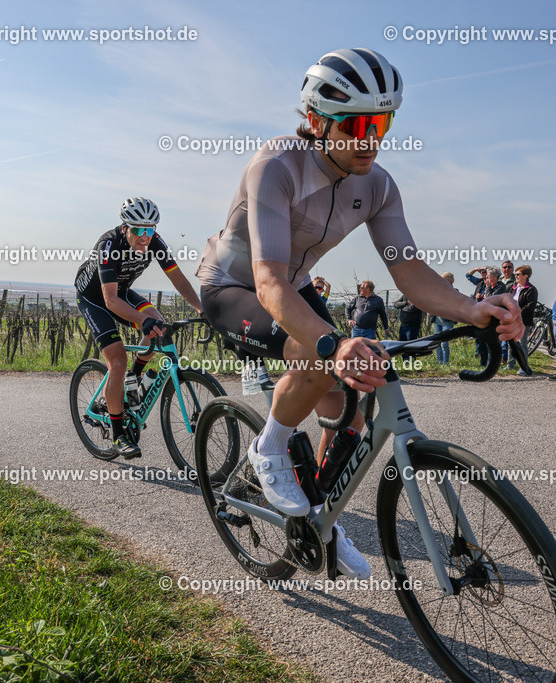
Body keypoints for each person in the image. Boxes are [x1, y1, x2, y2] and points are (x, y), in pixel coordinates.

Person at [196, 47, 523, 580]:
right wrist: (335, 343)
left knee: (351, 405)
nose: (372, 138)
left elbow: (410, 272)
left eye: (384, 122)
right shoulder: (275, 166)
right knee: (317, 351)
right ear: (315, 121)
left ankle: (319, 518)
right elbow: (270, 282)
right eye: (359, 123)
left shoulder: (378, 184)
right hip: (234, 286)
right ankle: (269, 446)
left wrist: (475, 307)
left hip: (294, 287)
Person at [75, 197, 204, 458]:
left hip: (120, 291)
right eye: (139, 230)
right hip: (95, 298)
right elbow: (109, 300)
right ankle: (118, 434)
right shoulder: (109, 245)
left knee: (158, 322)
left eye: (150, 229)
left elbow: (178, 279)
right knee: (117, 361)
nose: (145, 237)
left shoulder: (154, 242)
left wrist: (202, 309)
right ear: (126, 228)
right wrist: (143, 321)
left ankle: (133, 377)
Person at [474, 267, 507, 365]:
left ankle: (492, 364)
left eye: (489, 275)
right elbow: (483, 302)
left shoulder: (500, 286)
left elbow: (490, 300)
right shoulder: (487, 285)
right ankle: (483, 363)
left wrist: (488, 288)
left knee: (491, 342)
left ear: (495, 276)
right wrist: (479, 298)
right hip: (484, 316)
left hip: (494, 318)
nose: (487, 277)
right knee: (482, 341)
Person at [510, 265, 538, 375]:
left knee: (522, 343)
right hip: (512, 320)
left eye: (517, 274)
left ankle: (524, 367)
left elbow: (530, 305)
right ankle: (510, 364)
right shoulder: (514, 287)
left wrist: (517, 312)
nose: (515, 276)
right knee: (510, 343)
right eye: (515, 274)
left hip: (523, 321)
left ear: (525, 276)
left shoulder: (531, 289)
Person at [430, 273, 458, 364]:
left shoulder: (454, 291)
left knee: (444, 343)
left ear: (448, 280)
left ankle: (446, 362)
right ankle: (439, 362)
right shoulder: (438, 290)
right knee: (437, 342)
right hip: (438, 320)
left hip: (448, 321)